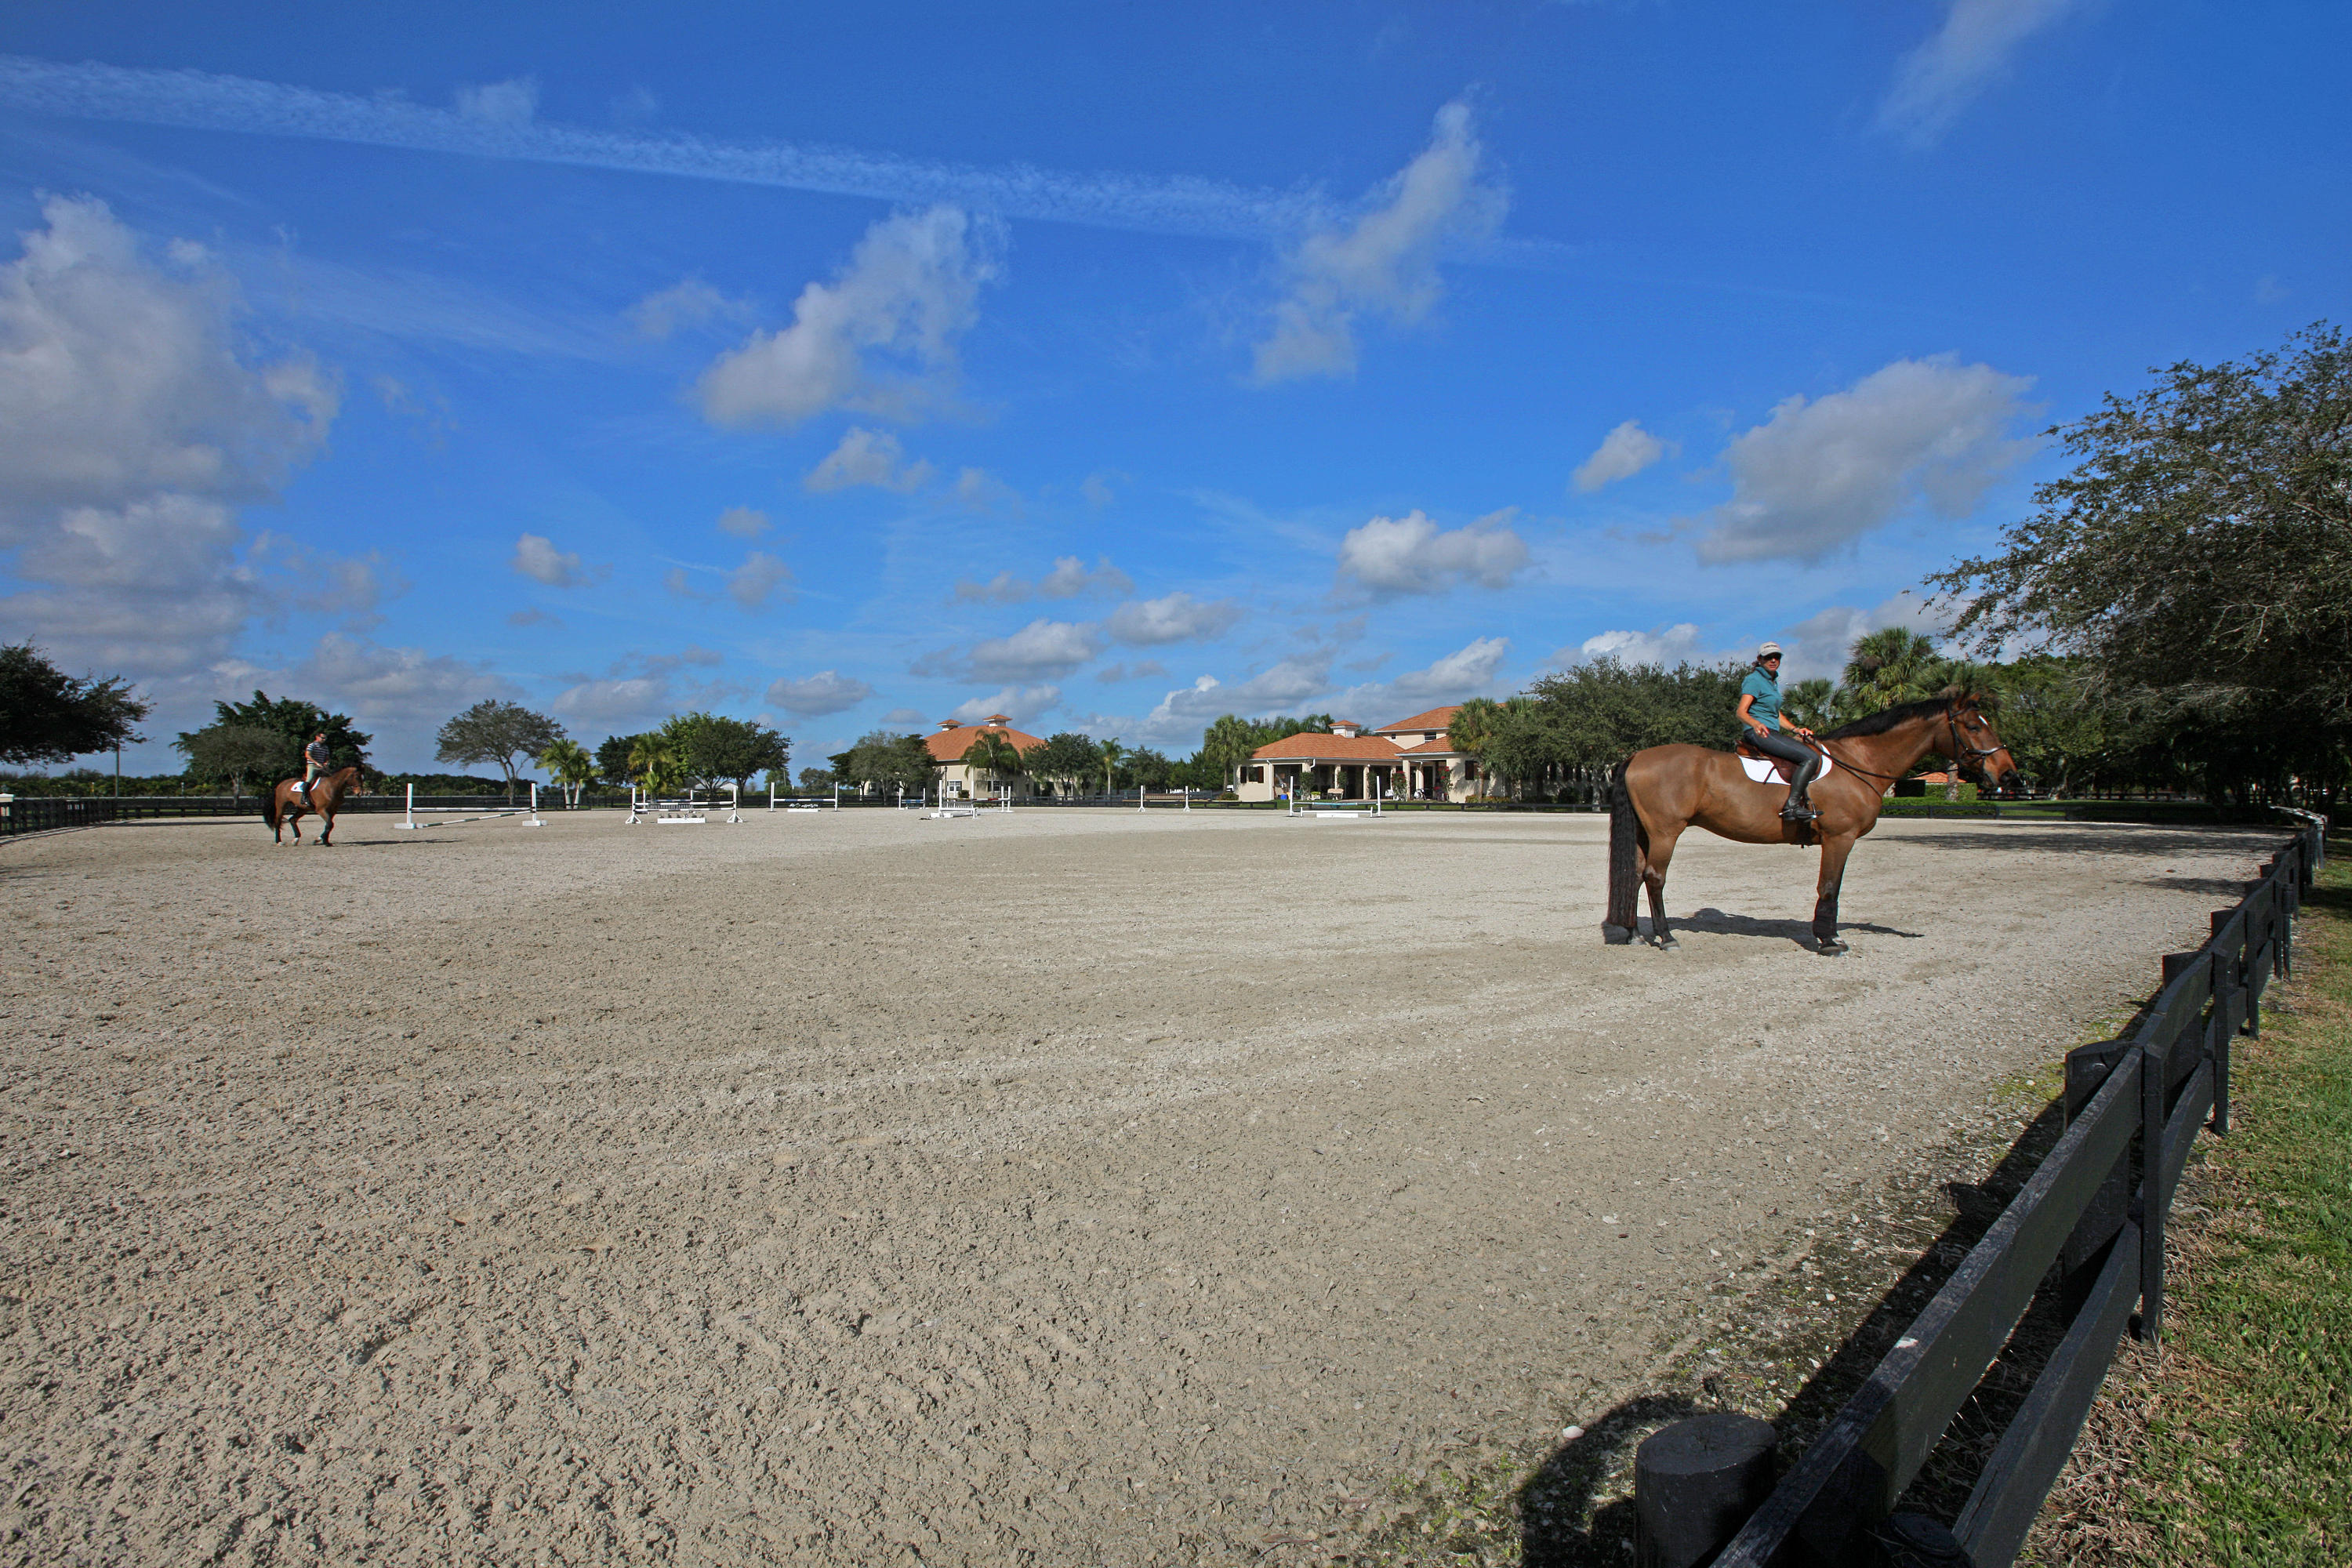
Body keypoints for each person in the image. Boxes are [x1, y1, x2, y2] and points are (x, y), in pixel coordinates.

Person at [1736, 642, 1821, 822]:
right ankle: (1792, 807)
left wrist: (1796, 729)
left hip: (1772, 732)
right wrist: (1755, 724)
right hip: (1758, 733)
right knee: (1810, 757)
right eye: (1768, 657)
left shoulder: (1772, 682)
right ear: (1759, 660)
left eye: (1777, 657)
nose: (1773, 660)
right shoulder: (1754, 680)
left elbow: (1776, 714)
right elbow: (1741, 712)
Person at [299, 731, 332, 804]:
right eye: (322, 738)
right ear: (317, 737)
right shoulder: (312, 745)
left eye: (325, 738)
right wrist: (316, 763)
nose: (324, 739)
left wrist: (326, 762)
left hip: (322, 766)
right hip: (313, 765)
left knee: (331, 777)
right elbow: (307, 755)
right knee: (309, 779)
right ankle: (304, 797)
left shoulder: (325, 747)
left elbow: (327, 757)